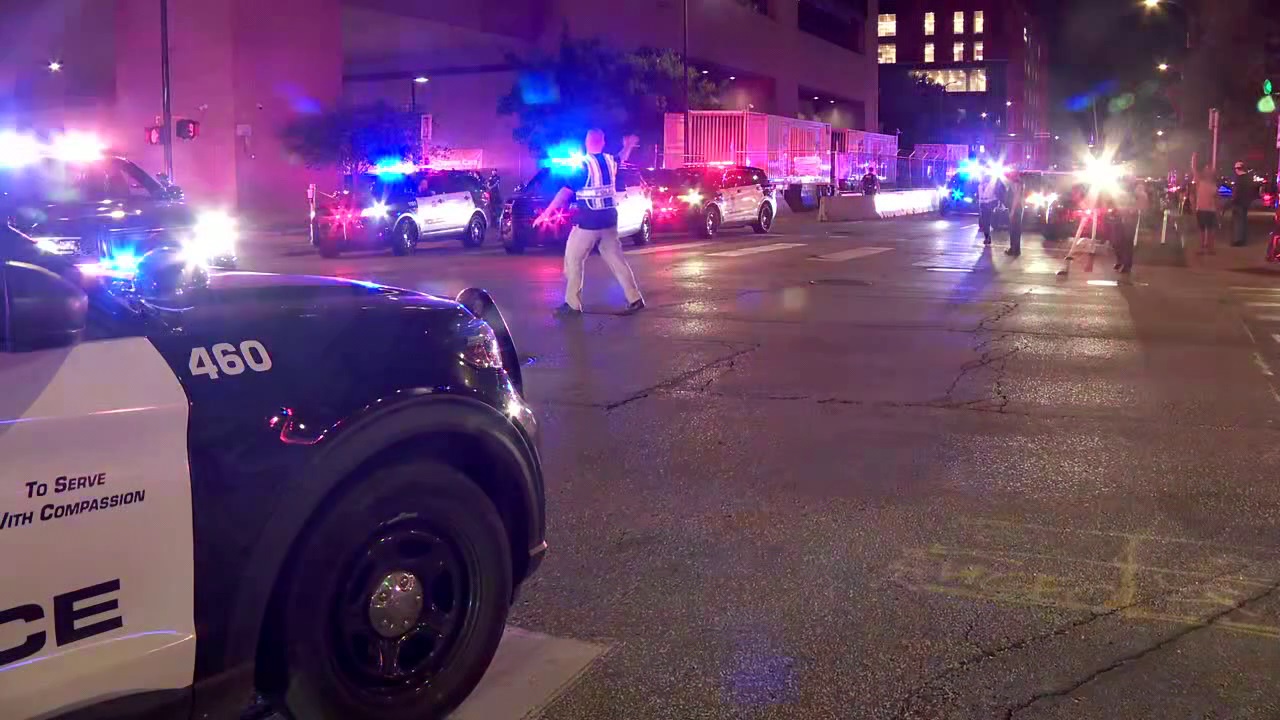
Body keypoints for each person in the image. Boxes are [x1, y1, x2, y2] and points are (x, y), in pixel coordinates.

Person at [535, 129, 644, 317]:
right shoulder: (610, 161)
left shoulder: (583, 165)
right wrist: (628, 146)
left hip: (588, 222)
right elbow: (621, 157)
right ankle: (635, 299)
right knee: (617, 260)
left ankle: (573, 304)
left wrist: (546, 213)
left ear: (586, 143)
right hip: (609, 221)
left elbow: (565, 193)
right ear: (602, 143)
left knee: (573, 259)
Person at [1193, 163, 1219, 255]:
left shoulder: (1213, 185)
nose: (1207, 172)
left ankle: (1210, 248)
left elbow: (1216, 199)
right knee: (1202, 230)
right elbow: (1194, 171)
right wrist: (1193, 162)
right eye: (1206, 170)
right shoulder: (1200, 182)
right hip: (1202, 209)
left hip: (1210, 210)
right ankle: (1203, 247)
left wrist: (1217, 211)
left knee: (1210, 230)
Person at [1230, 161, 1256, 247]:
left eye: (1236, 168)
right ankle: (1243, 239)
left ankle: (1238, 240)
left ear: (1238, 169)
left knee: (1238, 222)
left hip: (1238, 203)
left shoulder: (1239, 179)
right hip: (1245, 203)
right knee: (1243, 221)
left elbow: (1236, 192)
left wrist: (1233, 200)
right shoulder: (1248, 178)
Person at [977, 171, 1002, 245]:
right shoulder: (980, 186)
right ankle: (987, 237)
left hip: (990, 203)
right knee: (985, 222)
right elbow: (979, 196)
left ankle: (988, 237)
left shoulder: (992, 185)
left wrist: (996, 203)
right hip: (983, 204)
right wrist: (980, 204)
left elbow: (996, 194)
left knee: (988, 221)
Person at [1004, 170, 1024, 257]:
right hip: (1018, 208)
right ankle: (1016, 249)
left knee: (1014, 230)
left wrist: (1012, 211)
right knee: (1016, 230)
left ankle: (1014, 249)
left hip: (1015, 209)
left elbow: (1016, 197)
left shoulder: (1016, 184)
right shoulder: (1020, 183)